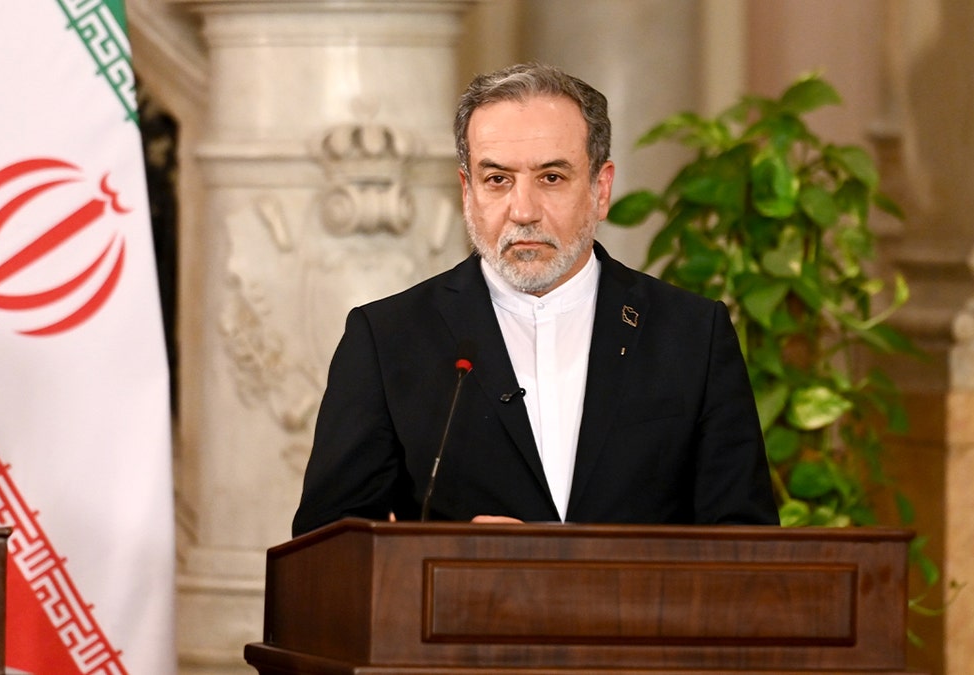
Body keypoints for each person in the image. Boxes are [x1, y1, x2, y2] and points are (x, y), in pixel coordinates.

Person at [291, 62, 778, 536]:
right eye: (497, 180)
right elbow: (331, 547)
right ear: (467, 192)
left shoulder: (692, 334)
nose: (523, 211)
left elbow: (745, 545)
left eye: (551, 177)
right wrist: (449, 556)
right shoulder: (388, 339)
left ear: (601, 189)